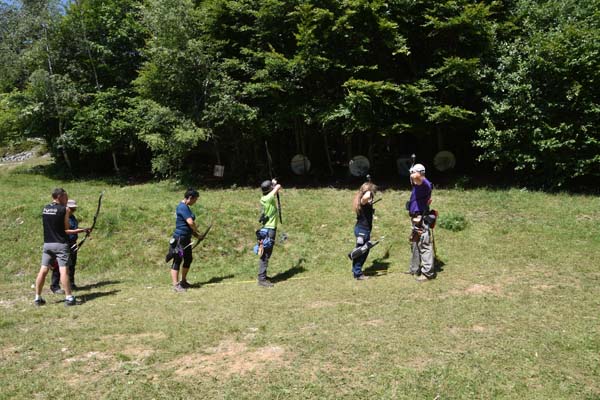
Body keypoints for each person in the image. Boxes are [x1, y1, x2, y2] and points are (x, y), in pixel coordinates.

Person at [34, 188, 89, 306]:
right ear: (59, 197)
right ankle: (69, 298)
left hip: (47, 244)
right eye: (66, 197)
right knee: (64, 271)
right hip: (60, 244)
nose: (67, 200)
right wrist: (82, 230)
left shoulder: (45, 208)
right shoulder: (64, 209)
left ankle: (37, 298)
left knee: (43, 270)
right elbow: (67, 229)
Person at [406, 163, 435, 281]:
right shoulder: (418, 184)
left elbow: (416, 177)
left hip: (421, 218)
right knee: (414, 242)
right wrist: (412, 172)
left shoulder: (424, 183)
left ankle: (428, 273)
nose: (412, 175)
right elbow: (414, 178)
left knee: (424, 244)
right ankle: (415, 268)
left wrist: (412, 172)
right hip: (415, 218)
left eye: (414, 172)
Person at [169, 188, 201, 292]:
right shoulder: (182, 207)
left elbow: (187, 225)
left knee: (188, 259)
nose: (195, 202)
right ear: (190, 198)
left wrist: (197, 235)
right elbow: (190, 222)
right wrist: (196, 229)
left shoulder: (186, 207)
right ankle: (175, 285)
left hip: (186, 239)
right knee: (178, 259)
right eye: (195, 200)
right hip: (180, 240)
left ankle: (183, 281)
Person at [50, 199, 81, 293]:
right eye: (71, 209)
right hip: (63, 244)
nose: (73, 211)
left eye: (74, 209)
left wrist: (84, 230)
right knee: (59, 265)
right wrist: (80, 230)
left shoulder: (73, 217)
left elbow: (74, 229)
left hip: (72, 243)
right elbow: (65, 231)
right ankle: (55, 286)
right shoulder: (61, 218)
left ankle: (71, 283)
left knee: (72, 265)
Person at [256, 179, 282, 287]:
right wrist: (276, 185)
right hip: (269, 229)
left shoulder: (265, 197)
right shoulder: (268, 198)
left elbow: (272, 190)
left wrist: (272, 183)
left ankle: (263, 276)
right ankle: (261, 279)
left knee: (266, 253)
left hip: (268, 228)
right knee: (266, 253)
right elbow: (278, 187)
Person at [351, 181, 377, 280]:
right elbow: (366, 196)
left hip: (363, 230)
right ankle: (357, 273)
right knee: (360, 252)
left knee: (363, 251)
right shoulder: (363, 201)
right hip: (362, 231)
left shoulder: (364, 202)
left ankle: (356, 270)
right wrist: (369, 190)